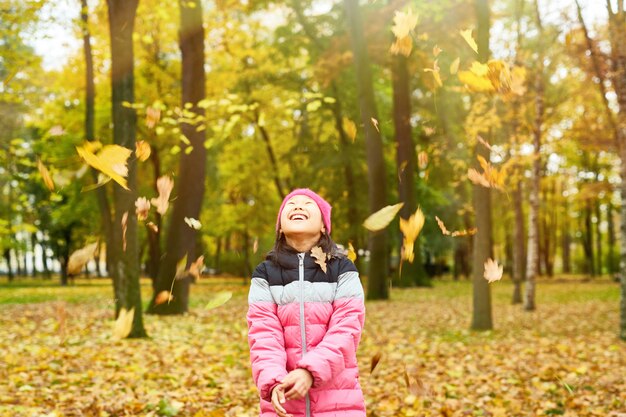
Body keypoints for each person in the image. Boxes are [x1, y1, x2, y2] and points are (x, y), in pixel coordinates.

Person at [246, 188, 366, 417]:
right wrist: (273, 381)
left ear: (324, 226)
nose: (298, 206)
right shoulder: (264, 274)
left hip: (338, 400)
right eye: (291, 204)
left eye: (308, 204)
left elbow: (348, 328)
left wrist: (310, 371)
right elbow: (263, 334)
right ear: (280, 227)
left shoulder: (343, 269)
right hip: (284, 399)